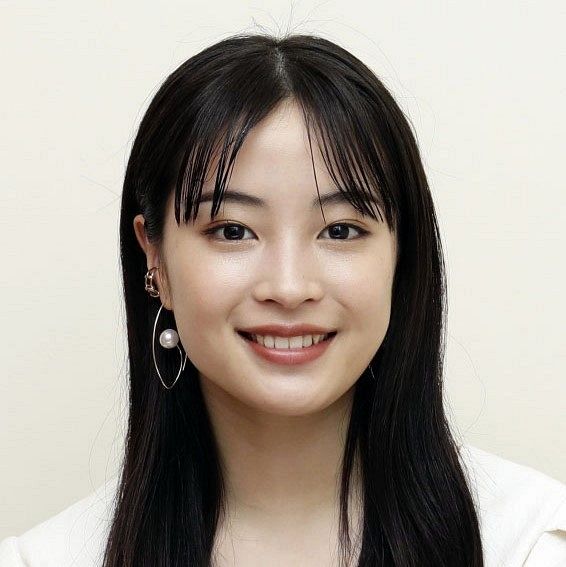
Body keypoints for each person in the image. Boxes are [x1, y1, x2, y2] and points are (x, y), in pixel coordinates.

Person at [1, 33, 565, 567]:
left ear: (402, 256)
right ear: (156, 259)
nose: (290, 288)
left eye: (340, 230)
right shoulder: (46, 559)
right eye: (232, 231)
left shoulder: (528, 545)